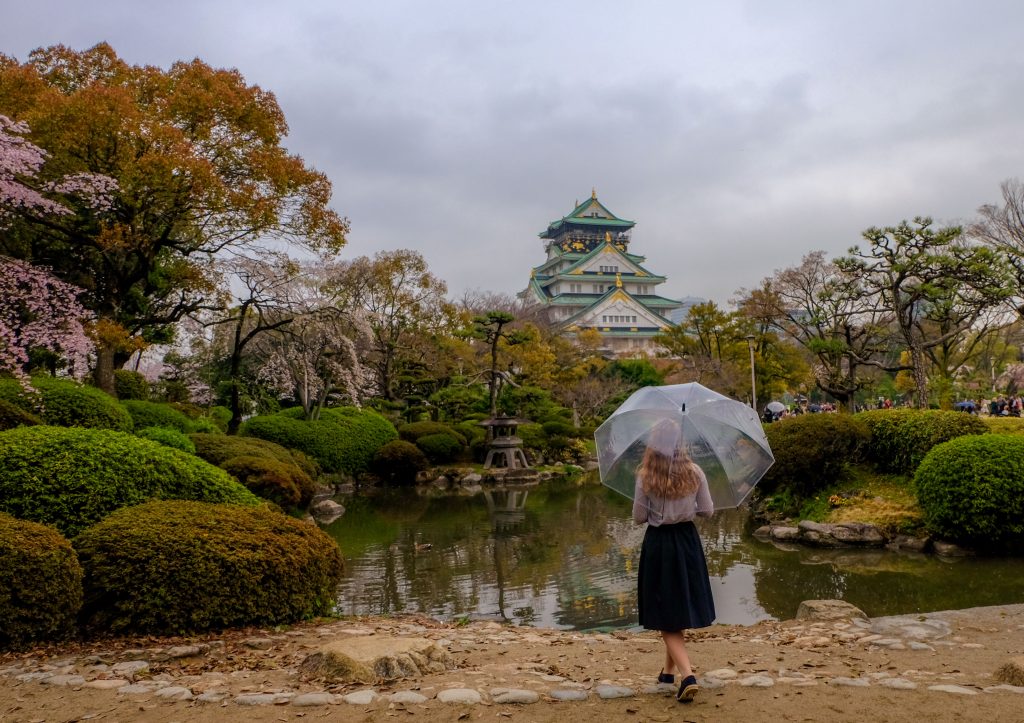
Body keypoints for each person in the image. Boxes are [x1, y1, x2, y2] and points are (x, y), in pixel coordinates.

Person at [632, 420, 715, 704]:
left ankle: (687, 675)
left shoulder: (645, 476)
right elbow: (707, 511)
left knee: (664, 610)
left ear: (654, 444)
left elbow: (639, 517)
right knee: (673, 608)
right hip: (687, 543)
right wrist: (686, 504)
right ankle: (667, 674)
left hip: (659, 545)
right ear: (681, 442)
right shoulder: (695, 472)